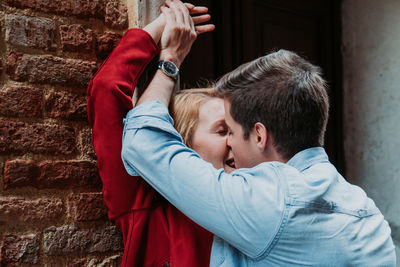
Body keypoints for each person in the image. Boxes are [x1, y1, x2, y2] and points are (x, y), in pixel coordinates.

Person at [121, 0, 397, 265]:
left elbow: (142, 139)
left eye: (230, 130)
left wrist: (170, 60)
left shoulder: (264, 203)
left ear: (259, 136)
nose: (228, 142)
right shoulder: (369, 216)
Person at [87, 2, 218, 266]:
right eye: (222, 130)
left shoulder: (251, 201)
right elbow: (107, 90)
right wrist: (167, 47)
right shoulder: (144, 203)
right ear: (182, 141)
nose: (234, 140)